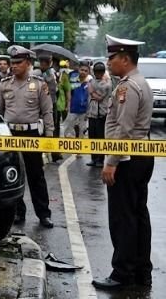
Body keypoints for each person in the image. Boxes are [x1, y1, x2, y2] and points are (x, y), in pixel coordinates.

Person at [92, 36, 154, 291]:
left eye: (111, 58)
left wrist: (110, 162)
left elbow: (123, 129)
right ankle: (141, 271)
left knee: (123, 217)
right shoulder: (141, 82)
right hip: (141, 155)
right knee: (138, 214)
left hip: (127, 159)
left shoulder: (127, 87)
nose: (108, 63)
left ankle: (122, 272)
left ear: (125, 59)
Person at [0, 45, 55, 228]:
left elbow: (47, 112)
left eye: (18, 62)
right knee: (12, 174)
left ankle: (43, 214)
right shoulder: (4, 84)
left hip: (31, 134)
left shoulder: (38, 84)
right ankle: (17, 212)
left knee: (36, 175)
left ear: (28, 63)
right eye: (12, 63)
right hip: (10, 133)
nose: (14, 66)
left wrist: (49, 136)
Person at [32, 54, 61, 162]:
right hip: (42, 105)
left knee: (53, 128)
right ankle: (46, 153)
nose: (46, 64)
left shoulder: (51, 72)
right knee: (43, 129)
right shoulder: (38, 74)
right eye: (44, 62)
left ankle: (54, 153)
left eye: (47, 62)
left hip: (52, 103)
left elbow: (56, 88)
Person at [86, 62, 111, 167]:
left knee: (101, 137)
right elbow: (91, 91)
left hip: (102, 113)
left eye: (100, 72)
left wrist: (92, 92)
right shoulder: (91, 81)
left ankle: (100, 159)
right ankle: (93, 158)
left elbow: (99, 97)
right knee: (92, 137)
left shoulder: (106, 84)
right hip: (92, 113)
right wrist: (93, 93)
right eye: (97, 72)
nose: (98, 74)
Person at [63, 62, 91, 138]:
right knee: (68, 131)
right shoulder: (73, 80)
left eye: (86, 71)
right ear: (78, 70)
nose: (83, 72)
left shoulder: (89, 83)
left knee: (82, 131)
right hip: (73, 109)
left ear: (88, 72)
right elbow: (68, 93)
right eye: (82, 70)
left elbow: (90, 97)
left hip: (84, 111)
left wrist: (88, 112)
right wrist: (68, 106)